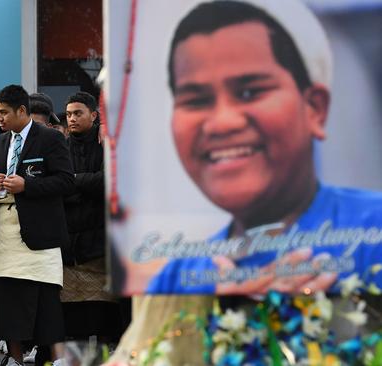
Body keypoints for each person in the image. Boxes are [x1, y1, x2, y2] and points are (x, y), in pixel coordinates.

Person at [147, 0, 382, 295]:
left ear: (314, 108)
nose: (223, 123)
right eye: (196, 100)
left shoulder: (373, 234)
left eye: (249, 92)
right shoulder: (177, 278)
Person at [0, 85, 74, 366]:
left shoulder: (50, 138)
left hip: (40, 234)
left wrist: (28, 185)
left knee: (46, 300)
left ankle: (58, 359)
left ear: (22, 111)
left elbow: (66, 181)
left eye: (3, 113)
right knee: (7, 297)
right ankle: (14, 358)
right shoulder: (0, 142)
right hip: (5, 234)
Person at [62, 92, 123, 343]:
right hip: (70, 246)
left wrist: (73, 182)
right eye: (68, 114)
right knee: (74, 324)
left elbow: (108, 182)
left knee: (106, 320)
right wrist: (82, 186)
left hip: (101, 244)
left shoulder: (106, 144)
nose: (72, 119)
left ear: (94, 115)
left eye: (78, 113)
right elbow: (55, 186)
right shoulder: (61, 147)